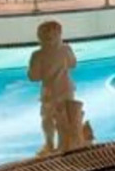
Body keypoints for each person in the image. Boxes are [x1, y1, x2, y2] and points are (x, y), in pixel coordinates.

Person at [28, 20, 78, 156]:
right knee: (66, 117)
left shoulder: (37, 55)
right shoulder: (66, 49)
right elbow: (73, 64)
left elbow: (33, 76)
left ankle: (50, 145)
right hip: (67, 88)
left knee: (48, 119)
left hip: (49, 92)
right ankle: (66, 144)